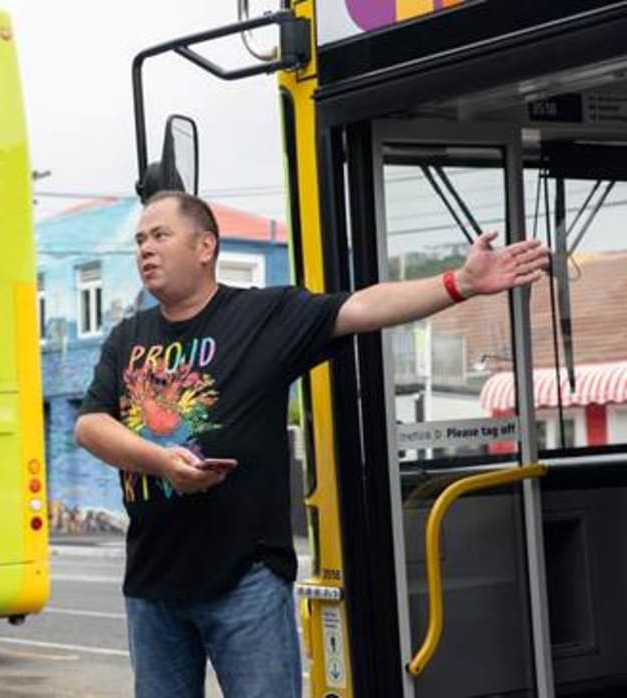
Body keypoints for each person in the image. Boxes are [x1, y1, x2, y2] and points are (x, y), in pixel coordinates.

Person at [74, 190, 549, 698]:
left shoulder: (260, 315)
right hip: (152, 587)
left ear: (205, 246)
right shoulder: (128, 336)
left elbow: (362, 306)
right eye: (141, 240)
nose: (145, 249)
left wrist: (461, 282)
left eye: (160, 235)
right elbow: (90, 425)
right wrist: (160, 462)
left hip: (244, 582)